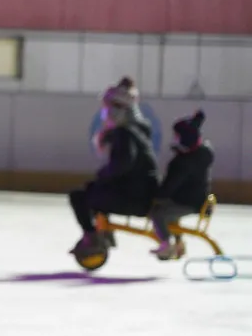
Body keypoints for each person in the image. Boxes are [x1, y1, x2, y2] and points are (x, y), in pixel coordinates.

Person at [69, 77, 159, 260]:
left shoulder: (125, 133)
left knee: (79, 197)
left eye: (107, 109)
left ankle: (94, 237)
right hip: (139, 192)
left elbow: (123, 163)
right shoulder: (134, 129)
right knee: (91, 189)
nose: (105, 113)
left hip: (136, 198)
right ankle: (103, 232)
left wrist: (103, 176)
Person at [150, 110, 213, 261]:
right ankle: (178, 243)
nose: (174, 139)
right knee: (168, 212)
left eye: (177, 136)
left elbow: (170, 186)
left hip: (189, 202)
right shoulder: (200, 154)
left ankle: (167, 244)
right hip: (194, 198)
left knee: (158, 213)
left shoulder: (184, 162)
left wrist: (155, 195)